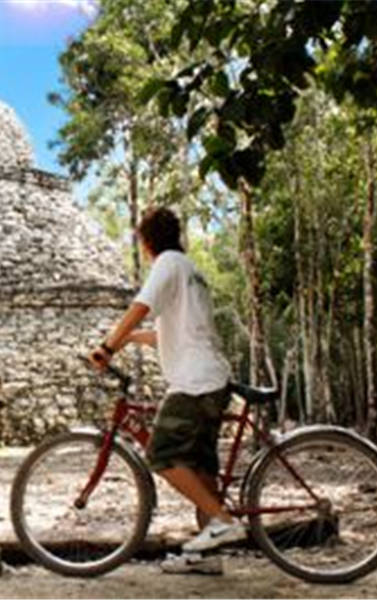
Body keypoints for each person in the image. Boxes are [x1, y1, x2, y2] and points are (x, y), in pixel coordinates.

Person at [89, 206, 244, 572]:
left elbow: (141, 307)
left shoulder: (167, 265)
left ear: (145, 243)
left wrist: (109, 345)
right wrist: (127, 342)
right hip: (212, 376)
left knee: (161, 453)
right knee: (201, 468)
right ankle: (204, 558)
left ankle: (223, 521)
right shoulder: (190, 270)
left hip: (195, 382)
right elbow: (169, 333)